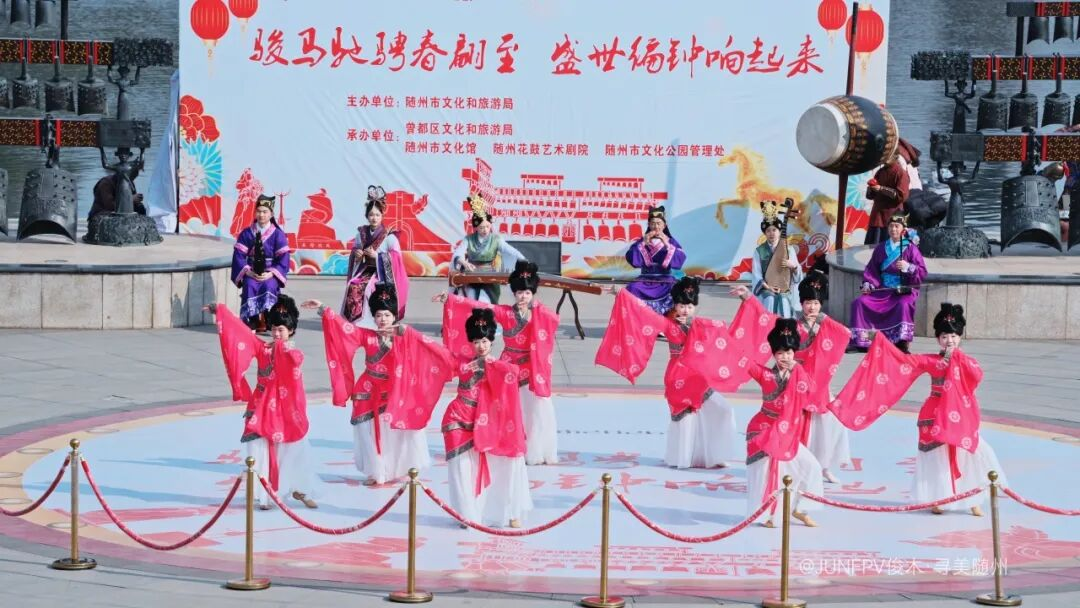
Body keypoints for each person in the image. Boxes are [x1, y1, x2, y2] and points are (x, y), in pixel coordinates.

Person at [829, 304, 1006, 516]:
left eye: (953, 336)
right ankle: (938, 498)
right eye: (944, 336)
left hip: (960, 414)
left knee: (970, 454)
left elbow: (977, 376)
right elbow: (903, 360)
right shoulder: (931, 361)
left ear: (960, 337)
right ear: (938, 339)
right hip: (934, 413)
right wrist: (879, 340)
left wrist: (956, 359)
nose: (949, 340)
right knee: (936, 459)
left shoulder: (966, 361)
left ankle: (971, 499)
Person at [304, 285, 453, 486]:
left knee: (399, 430)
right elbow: (344, 329)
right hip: (368, 388)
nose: (383, 319)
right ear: (373, 317)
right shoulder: (367, 335)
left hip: (395, 389)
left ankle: (402, 467)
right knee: (369, 432)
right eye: (379, 315)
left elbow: (431, 348)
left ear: (395, 317)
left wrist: (407, 332)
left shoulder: (405, 335)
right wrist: (324, 309)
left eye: (387, 315)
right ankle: (377, 471)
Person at [595, 277, 740, 470]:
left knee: (723, 409)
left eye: (689, 306)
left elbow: (725, 331)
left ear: (695, 307)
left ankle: (713, 455)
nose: (685, 310)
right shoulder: (667, 324)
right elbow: (642, 310)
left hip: (697, 377)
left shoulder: (700, 324)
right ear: (675, 305)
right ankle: (682, 459)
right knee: (686, 420)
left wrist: (746, 298)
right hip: (678, 376)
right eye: (682, 306)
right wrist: (620, 292)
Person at [731, 270, 852, 483]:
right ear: (801, 303)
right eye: (807, 303)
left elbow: (846, 333)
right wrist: (748, 297)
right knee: (801, 426)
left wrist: (824, 319)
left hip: (819, 384)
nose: (812, 307)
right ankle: (797, 465)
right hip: (794, 382)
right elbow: (766, 319)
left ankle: (823, 466)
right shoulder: (792, 326)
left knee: (828, 426)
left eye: (816, 303)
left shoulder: (825, 324)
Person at [435, 260, 561, 465]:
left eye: (527, 293)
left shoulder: (539, 314)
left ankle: (537, 450)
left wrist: (538, 309)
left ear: (533, 294)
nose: (523, 297)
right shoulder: (506, 313)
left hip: (531, 369)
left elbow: (555, 320)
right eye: (519, 293)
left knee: (536, 410)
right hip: (507, 367)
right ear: (514, 293)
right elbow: (480, 306)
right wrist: (451, 300)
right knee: (507, 409)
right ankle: (509, 445)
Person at [205, 294, 317, 511]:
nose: (276, 333)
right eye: (274, 329)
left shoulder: (292, 352)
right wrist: (220, 311)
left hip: (283, 408)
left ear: (291, 330)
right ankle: (264, 495)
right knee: (256, 450)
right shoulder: (262, 348)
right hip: (259, 404)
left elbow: (296, 361)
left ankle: (298, 488)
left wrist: (283, 348)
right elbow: (240, 332)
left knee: (292, 449)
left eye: (281, 330)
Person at [440, 308, 533, 528]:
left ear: (491, 341)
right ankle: (467, 513)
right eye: (476, 342)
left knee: (506, 463)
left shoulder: (501, 366)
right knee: (461, 468)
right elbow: (435, 353)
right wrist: (406, 333)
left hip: (490, 423)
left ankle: (510, 510)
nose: (480, 346)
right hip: (458, 418)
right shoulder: (463, 363)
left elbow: (513, 373)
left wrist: (489, 365)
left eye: (484, 341)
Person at [743, 319, 824, 528]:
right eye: (780, 353)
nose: (785, 357)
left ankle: (798, 508)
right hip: (764, 430)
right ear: (773, 354)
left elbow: (811, 392)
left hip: (786, 433)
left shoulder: (799, 373)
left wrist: (797, 369)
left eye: (789, 352)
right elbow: (741, 359)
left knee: (812, 467)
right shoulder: (765, 374)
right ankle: (768, 515)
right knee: (769, 475)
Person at [849, 214, 927, 353]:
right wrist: (868, 284)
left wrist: (908, 267)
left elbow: (922, 271)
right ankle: (861, 341)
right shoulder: (881, 248)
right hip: (882, 289)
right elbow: (872, 270)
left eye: (897, 226)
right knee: (859, 302)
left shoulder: (911, 248)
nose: (893, 229)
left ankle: (900, 342)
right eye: (891, 226)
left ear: (903, 229)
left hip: (902, 290)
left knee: (903, 304)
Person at [341, 186, 409, 328]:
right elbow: (355, 248)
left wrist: (378, 256)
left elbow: (396, 257)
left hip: (382, 273)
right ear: (367, 216)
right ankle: (355, 320)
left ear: (382, 216)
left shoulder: (389, 236)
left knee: (367, 288)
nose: (374, 218)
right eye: (371, 215)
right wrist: (357, 254)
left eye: (377, 215)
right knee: (353, 285)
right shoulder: (361, 233)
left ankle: (371, 321)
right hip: (366, 269)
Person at [451, 194, 527, 304]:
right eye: (481, 227)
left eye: (487, 226)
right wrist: (463, 262)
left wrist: (524, 261)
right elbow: (458, 252)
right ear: (476, 227)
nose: (485, 230)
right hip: (471, 274)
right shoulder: (469, 239)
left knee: (485, 302)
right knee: (471, 301)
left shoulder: (496, 239)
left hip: (490, 276)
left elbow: (512, 251)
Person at [231, 194, 290, 333]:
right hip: (252, 271)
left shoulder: (278, 234)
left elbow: (283, 258)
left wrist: (271, 274)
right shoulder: (247, 233)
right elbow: (239, 256)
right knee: (249, 285)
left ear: (271, 214)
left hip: (270, 272)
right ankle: (252, 320)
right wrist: (247, 271)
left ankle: (269, 319)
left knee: (269, 285)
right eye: (258, 211)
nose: (261, 215)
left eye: (265, 212)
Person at [624, 206, 688, 315]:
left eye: (659, 223)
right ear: (649, 225)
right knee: (632, 288)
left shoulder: (671, 241)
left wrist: (667, 245)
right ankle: (638, 319)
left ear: (664, 225)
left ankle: (669, 320)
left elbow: (680, 258)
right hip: (645, 279)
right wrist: (643, 243)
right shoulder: (642, 241)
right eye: (653, 223)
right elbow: (631, 257)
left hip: (665, 279)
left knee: (676, 289)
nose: (656, 226)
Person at [750, 201, 803, 318]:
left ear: (779, 231)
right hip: (766, 288)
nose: (771, 233)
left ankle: (785, 327)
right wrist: (768, 287)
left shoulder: (789, 249)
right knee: (770, 298)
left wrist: (793, 266)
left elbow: (798, 276)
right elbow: (756, 275)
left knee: (783, 300)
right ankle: (767, 326)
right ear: (765, 233)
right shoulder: (759, 251)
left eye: (774, 230)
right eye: (768, 231)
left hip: (784, 288)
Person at [864, 152, 911, 245]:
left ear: (894, 156)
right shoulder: (880, 172)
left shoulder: (901, 173)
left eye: (887, 155)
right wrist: (871, 188)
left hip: (893, 218)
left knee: (891, 248)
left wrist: (881, 189)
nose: (884, 158)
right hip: (877, 217)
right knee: (872, 248)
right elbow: (870, 196)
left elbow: (901, 196)